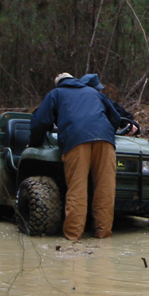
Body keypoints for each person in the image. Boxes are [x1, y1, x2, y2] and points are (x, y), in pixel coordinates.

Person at [29, 72, 121, 240]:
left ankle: (73, 237)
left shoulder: (56, 94)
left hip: (76, 140)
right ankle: (103, 235)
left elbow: (41, 121)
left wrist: (34, 142)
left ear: (58, 83)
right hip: (105, 141)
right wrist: (107, 133)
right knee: (105, 189)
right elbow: (115, 117)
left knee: (77, 188)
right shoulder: (93, 92)